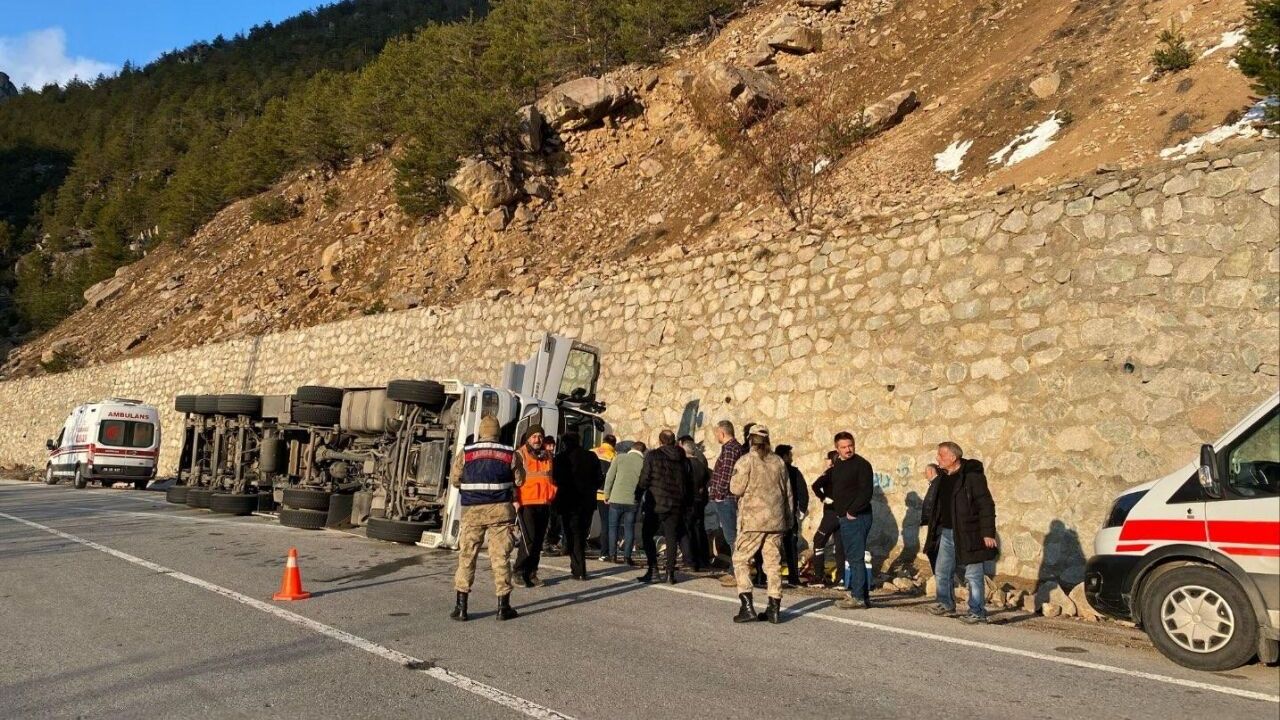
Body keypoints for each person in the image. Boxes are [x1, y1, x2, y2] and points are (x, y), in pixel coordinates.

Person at [448, 415, 519, 621]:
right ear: (497, 432)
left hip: (473, 512)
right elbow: (520, 480)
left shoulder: (467, 452)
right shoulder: (509, 453)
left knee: (467, 557)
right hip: (500, 512)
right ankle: (503, 607)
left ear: (480, 432)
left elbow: (455, 480)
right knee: (500, 558)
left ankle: (461, 608)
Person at [923, 442, 998, 624]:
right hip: (947, 532)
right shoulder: (943, 476)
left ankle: (977, 612)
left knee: (973, 574)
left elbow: (986, 505)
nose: (937, 458)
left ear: (953, 457)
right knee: (942, 570)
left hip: (970, 533)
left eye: (941, 455)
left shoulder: (971, 477)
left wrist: (988, 533)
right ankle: (946, 603)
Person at [729, 426, 792, 624]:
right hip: (776, 521)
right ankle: (774, 607)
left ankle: (747, 606)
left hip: (753, 521)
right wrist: (788, 519)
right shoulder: (778, 462)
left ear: (750, 440)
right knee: (773, 564)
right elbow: (788, 492)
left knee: (740, 560)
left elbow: (736, 488)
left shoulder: (746, 461)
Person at [637, 429, 692, 584]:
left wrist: (637, 494)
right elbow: (688, 481)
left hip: (656, 501)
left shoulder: (653, 456)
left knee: (647, 535)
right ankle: (670, 573)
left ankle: (653, 569)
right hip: (676, 502)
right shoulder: (683, 458)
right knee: (671, 537)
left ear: (660, 441)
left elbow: (644, 478)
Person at [827, 431, 875, 610]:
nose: (848, 449)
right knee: (853, 556)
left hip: (857, 517)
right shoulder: (838, 464)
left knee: (855, 557)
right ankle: (862, 595)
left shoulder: (862, 465)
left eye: (850, 446)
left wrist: (852, 511)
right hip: (844, 517)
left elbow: (866, 492)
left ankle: (858, 597)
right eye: (844, 447)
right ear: (837, 449)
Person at [552, 432, 602, 580]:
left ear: (564, 443)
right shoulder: (591, 456)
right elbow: (599, 478)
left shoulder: (560, 458)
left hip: (568, 502)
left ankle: (578, 569)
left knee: (572, 535)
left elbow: (555, 479)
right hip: (587, 502)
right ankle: (580, 569)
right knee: (581, 534)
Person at [513, 425, 556, 587]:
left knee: (538, 541)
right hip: (526, 502)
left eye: (540, 436)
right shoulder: (520, 454)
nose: (537, 439)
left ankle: (531, 573)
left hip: (544, 502)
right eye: (534, 436)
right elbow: (513, 479)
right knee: (528, 540)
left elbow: (550, 477)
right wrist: (514, 499)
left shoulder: (548, 455)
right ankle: (518, 571)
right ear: (528, 438)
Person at [709, 421, 746, 583]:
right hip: (726, 499)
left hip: (726, 499)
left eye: (717, 433)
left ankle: (737, 572)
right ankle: (735, 569)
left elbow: (726, 473)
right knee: (732, 536)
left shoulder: (731, 449)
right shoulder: (732, 448)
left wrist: (719, 494)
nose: (716, 436)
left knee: (732, 537)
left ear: (722, 433)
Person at [602, 441, 646, 564]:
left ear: (632, 448)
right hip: (632, 501)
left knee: (613, 528)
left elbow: (609, 477)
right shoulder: (643, 463)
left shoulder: (619, 458)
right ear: (642, 451)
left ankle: (612, 555)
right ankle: (627, 557)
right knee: (629, 529)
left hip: (616, 498)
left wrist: (607, 494)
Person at [775, 445, 810, 587]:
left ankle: (764, 575)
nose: (791, 457)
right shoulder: (794, 472)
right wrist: (801, 510)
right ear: (785, 456)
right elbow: (803, 492)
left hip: (773, 514)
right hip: (789, 514)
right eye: (790, 455)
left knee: (772, 546)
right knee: (790, 546)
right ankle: (793, 577)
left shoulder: (772, 470)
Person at [808, 450, 844, 587]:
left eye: (828, 459)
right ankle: (841, 579)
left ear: (832, 460)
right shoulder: (847, 473)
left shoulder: (830, 472)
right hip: (844, 513)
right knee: (840, 545)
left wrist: (823, 497)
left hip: (831, 513)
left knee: (819, 540)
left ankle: (819, 576)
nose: (826, 461)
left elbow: (815, 485)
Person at [679, 435, 711, 571]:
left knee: (687, 530)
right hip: (700, 500)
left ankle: (690, 560)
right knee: (699, 529)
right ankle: (702, 560)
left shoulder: (685, 465)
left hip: (688, 501)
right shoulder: (701, 464)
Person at [593, 434, 618, 558]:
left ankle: (574, 548)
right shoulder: (614, 456)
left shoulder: (592, 451)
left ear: (603, 441)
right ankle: (604, 553)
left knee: (583, 522)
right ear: (614, 444)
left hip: (589, 492)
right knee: (606, 524)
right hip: (604, 495)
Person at [542, 436, 563, 557]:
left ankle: (548, 542)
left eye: (553, 445)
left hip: (551, 494)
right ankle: (545, 544)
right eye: (549, 445)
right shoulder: (545, 458)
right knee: (547, 521)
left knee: (552, 520)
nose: (551, 448)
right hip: (545, 494)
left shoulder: (552, 458)